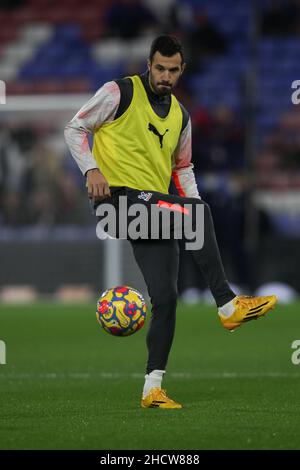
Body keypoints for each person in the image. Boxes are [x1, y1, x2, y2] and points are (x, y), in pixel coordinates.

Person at [65, 35, 277, 409]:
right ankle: (227, 305)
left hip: (150, 209)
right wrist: (92, 169)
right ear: (149, 64)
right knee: (198, 214)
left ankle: (152, 388)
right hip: (116, 202)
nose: (165, 75)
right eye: (159, 68)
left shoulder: (180, 116)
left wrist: (193, 212)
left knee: (165, 297)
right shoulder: (120, 93)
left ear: (182, 70)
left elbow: (183, 168)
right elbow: (75, 128)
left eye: (172, 70)